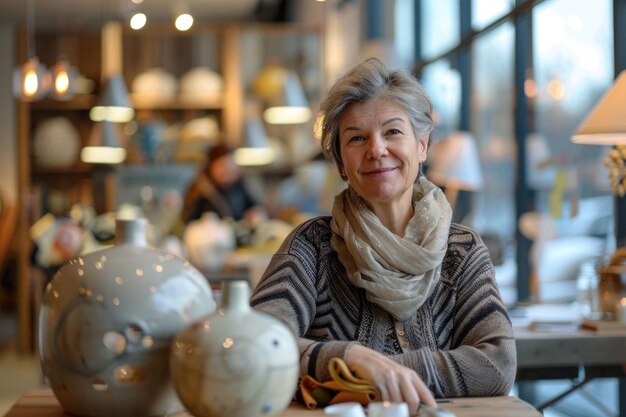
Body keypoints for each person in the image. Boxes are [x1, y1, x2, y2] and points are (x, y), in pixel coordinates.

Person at [250, 58, 516, 414]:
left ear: (422, 146)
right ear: (342, 163)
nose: (376, 150)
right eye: (357, 138)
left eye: (392, 132)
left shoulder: (462, 250)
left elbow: (496, 366)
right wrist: (349, 356)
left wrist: (371, 370)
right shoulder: (310, 246)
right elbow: (256, 345)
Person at [181, 143, 259, 224]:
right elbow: (187, 219)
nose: (229, 173)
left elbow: (253, 206)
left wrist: (254, 214)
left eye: (232, 169)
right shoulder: (199, 189)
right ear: (211, 166)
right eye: (224, 168)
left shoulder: (238, 185)